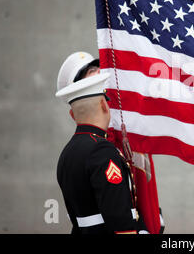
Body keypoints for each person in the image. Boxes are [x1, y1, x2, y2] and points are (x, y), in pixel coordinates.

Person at [55, 52, 147, 234]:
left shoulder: (67, 153)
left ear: (73, 115)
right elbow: (120, 222)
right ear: (105, 106)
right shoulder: (101, 150)